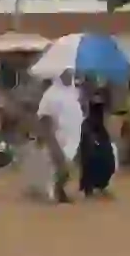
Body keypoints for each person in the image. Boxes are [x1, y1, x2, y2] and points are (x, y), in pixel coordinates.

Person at [37, 70, 84, 204]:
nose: (70, 73)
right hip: (58, 138)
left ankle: (60, 194)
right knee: (58, 169)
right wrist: (52, 143)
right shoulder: (50, 95)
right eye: (66, 71)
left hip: (73, 138)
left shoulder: (74, 92)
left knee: (67, 171)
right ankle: (53, 197)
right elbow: (44, 120)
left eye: (71, 71)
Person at [78, 85, 116, 197]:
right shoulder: (83, 92)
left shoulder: (104, 91)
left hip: (100, 130)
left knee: (107, 157)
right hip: (88, 129)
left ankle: (102, 185)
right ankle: (88, 187)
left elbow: (108, 110)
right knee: (89, 157)